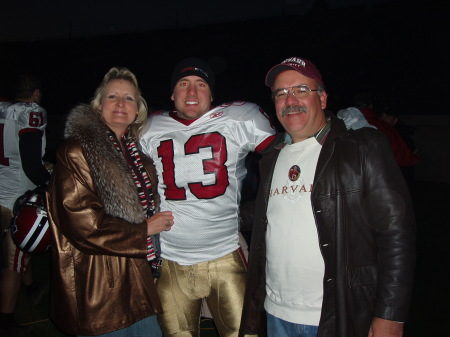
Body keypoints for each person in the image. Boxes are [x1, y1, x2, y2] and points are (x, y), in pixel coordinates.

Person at [239, 57, 416, 337]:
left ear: (322, 98)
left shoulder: (363, 148)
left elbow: (396, 235)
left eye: (301, 90)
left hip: (339, 314)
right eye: (281, 93)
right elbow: (263, 212)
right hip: (276, 313)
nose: (290, 100)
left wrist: (390, 315)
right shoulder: (271, 157)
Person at [139, 57, 276, 337]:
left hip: (224, 253)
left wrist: (258, 211)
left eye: (200, 85)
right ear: (172, 94)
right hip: (171, 260)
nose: (192, 92)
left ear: (211, 94)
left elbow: (282, 160)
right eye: (184, 84)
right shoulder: (148, 129)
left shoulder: (238, 118)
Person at [46, 67, 173, 337]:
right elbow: (84, 227)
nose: (120, 103)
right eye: (112, 96)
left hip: (139, 282)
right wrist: (143, 231)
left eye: (129, 98)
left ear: (138, 110)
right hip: (101, 290)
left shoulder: (142, 160)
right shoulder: (77, 151)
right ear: (98, 106)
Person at [0, 73, 51, 337]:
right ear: (35, 93)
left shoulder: (3, 108)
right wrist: (50, 182)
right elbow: (31, 163)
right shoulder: (31, 112)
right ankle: (5, 321)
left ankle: (31, 288)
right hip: (14, 196)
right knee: (13, 260)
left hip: (0, 186)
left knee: (19, 251)